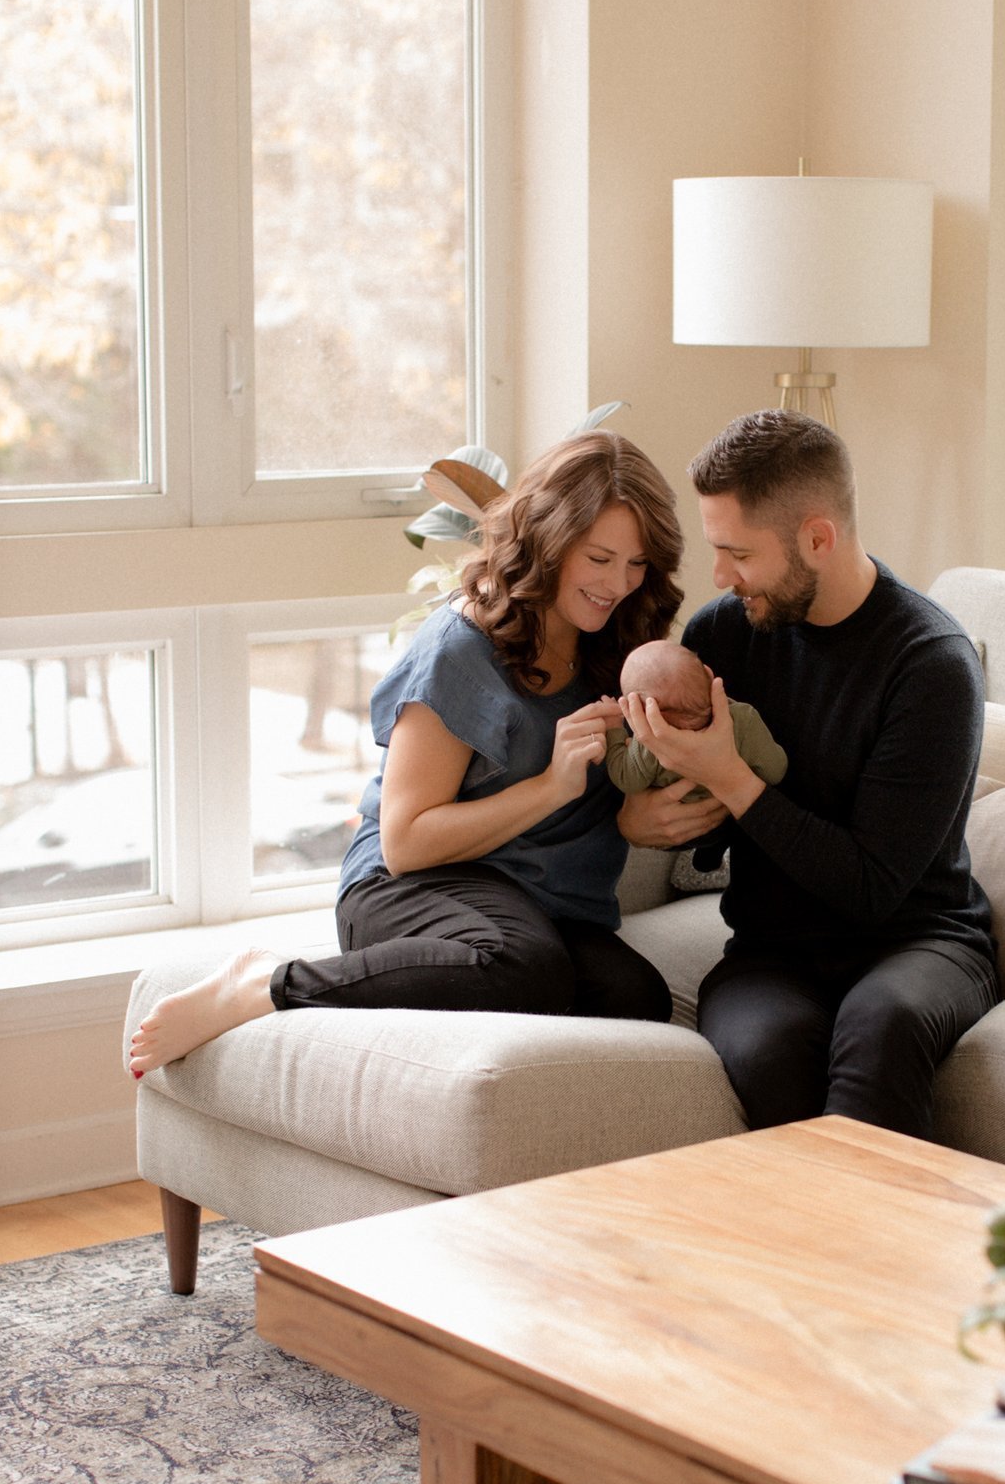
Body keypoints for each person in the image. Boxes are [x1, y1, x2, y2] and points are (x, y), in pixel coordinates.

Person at [128, 432, 726, 1074]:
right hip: (410, 887)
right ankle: (265, 986)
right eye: (600, 558)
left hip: (545, 906)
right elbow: (405, 841)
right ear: (550, 543)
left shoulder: (622, 643)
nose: (618, 585)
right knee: (525, 965)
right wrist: (551, 786)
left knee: (635, 998)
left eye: (637, 564)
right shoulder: (460, 650)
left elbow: (619, 792)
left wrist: (639, 817)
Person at [615, 408, 998, 1140]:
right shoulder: (723, 634)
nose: (721, 576)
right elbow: (695, 824)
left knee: (882, 1025)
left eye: (738, 554)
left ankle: (873, 1251)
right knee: (768, 1047)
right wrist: (645, 820)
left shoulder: (931, 665)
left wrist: (733, 778)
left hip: (920, 941)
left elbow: (872, 887)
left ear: (818, 538)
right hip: (770, 952)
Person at [604, 639, 787, 799]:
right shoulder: (744, 720)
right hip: (736, 820)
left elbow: (625, 779)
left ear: (642, 714)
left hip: (684, 832)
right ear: (708, 673)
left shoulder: (651, 746)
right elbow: (775, 771)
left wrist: (614, 729)